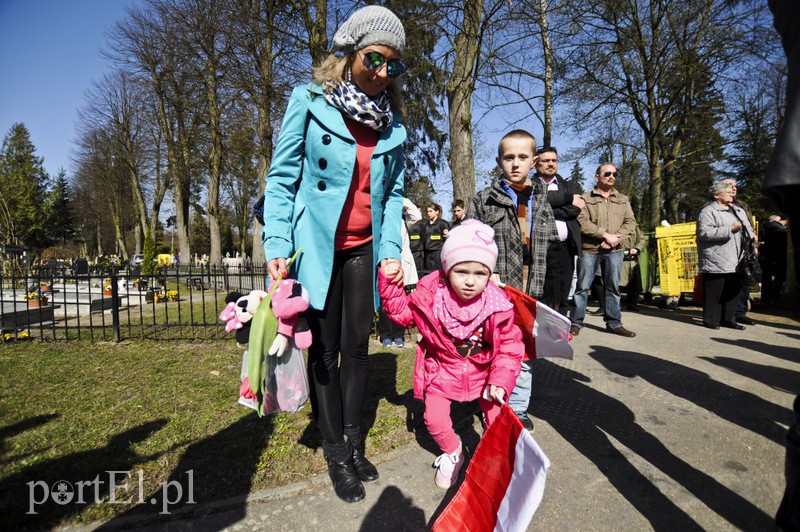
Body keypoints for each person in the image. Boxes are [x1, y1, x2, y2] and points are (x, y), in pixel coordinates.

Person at [262, 5, 407, 504]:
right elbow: (281, 181)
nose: (383, 72)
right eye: (374, 59)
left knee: (358, 348)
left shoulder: (393, 127)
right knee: (323, 349)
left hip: (364, 248)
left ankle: (354, 437)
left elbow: (389, 200)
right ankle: (334, 451)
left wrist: (391, 251)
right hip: (319, 247)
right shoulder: (309, 101)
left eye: (394, 64)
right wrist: (278, 243)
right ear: (349, 55)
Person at [377, 220, 523, 489]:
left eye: (480, 273)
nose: (470, 281)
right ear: (446, 269)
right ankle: (453, 452)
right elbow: (402, 314)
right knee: (433, 419)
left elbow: (509, 347)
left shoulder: (497, 305)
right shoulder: (431, 296)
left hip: (484, 373)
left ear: (489, 274)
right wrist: (389, 284)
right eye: (462, 271)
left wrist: (500, 380)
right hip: (442, 371)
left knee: (497, 419)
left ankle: (495, 457)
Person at [468, 129, 558, 431]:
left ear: (533, 161)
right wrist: (484, 271)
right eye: (509, 158)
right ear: (499, 161)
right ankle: (491, 402)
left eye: (522, 157)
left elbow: (552, 246)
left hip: (532, 290)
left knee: (521, 350)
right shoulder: (484, 201)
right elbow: (469, 243)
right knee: (493, 347)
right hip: (497, 289)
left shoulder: (545, 199)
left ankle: (517, 407)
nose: (515, 163)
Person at [572, 163, 637, 338]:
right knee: (582, 287)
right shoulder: (585, 198)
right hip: (590, 250)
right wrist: (605, 235)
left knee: (613, 287)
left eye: (615, 174)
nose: (611, 176)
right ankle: (576, 323)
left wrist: (615, 238)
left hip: (614, 250)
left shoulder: (623, 199)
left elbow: (630, 223)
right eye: (607, 173)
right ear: (597, 177)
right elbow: (582, 222)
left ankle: (614, 323)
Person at [696, 180, 754, 330]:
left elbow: (748, 228)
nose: (731, 193)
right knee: (715, 290)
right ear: (716, 195)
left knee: (733, 290)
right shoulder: (708, 211)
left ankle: (728, 319)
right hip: (716, 256)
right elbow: (704, 233)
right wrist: (730, 229)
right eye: (727, 191)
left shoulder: (738, 210)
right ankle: (711, 319)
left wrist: (753, 238)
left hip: (737, 256)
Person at [534, 146, 584, 314]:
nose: (550, 164)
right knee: (542, 292)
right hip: (538, 248)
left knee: (562, 293)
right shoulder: (530, 186)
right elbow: (533, 204)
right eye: (546, 160)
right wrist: (566, 201)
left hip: (564, 248)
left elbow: (575, 210)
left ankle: (559, 334)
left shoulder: (569, 185)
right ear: (536, 164)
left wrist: (545, 208)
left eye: (554, 160)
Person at [378, 198, 421, 348]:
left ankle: (398, 336)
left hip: (403, 265)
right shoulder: (380, 217)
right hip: (384, 265)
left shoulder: (403, 220)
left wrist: (400, 199)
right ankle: (385, 336)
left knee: (401, 303)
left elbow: (417, 217)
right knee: (384, 303)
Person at [721, 178, 758, 325]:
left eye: (736, 186)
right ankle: (725, 314)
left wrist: (754, 245)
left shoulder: (742, 206)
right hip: (726, 248)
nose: (734, 189)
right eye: (730, 186)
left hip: (744, 249)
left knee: (743, 281)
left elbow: (749, 225)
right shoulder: (714, 206)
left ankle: (740, 313)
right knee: (727, 282)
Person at [760, 214, 788, 305]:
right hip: (777, 257)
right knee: (779, 277)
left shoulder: (765, 228)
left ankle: (766, 298)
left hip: (767, 256)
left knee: (767, 278)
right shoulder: (778, 229)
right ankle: (775, 297)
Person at [620, 224, 646, 310]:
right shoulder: (615, 224)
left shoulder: (634, 226)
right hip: (619, 258)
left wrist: (637, 248)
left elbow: (642, 239)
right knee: (617, 283)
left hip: (633, 260)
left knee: (634, 283)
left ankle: (632, 303)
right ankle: (613, 305)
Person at [420, 203, 450, 277]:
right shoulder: (426, 224)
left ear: (437, 212)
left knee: (439, 275)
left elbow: (447, 238)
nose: (428, 213)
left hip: (438, 253)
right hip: (427, 254)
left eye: (431, 211)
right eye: (427, 211)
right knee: (428, 275)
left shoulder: (443, 224)